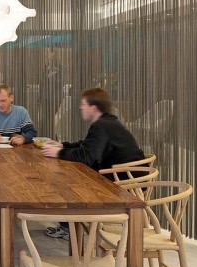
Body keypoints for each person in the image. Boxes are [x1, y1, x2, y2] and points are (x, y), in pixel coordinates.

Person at [42, 87, 144, 239]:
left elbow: (86, 156)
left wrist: (58, 153)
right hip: (124, 177)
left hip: (122, 184)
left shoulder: (101, 126)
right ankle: (68, 225)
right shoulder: (107, 122)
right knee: (73, 176)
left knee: (69, 180)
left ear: (93, 107)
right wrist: (63, 145)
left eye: (83, 104)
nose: (80, 107)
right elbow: (88, 145)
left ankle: (68, 227)